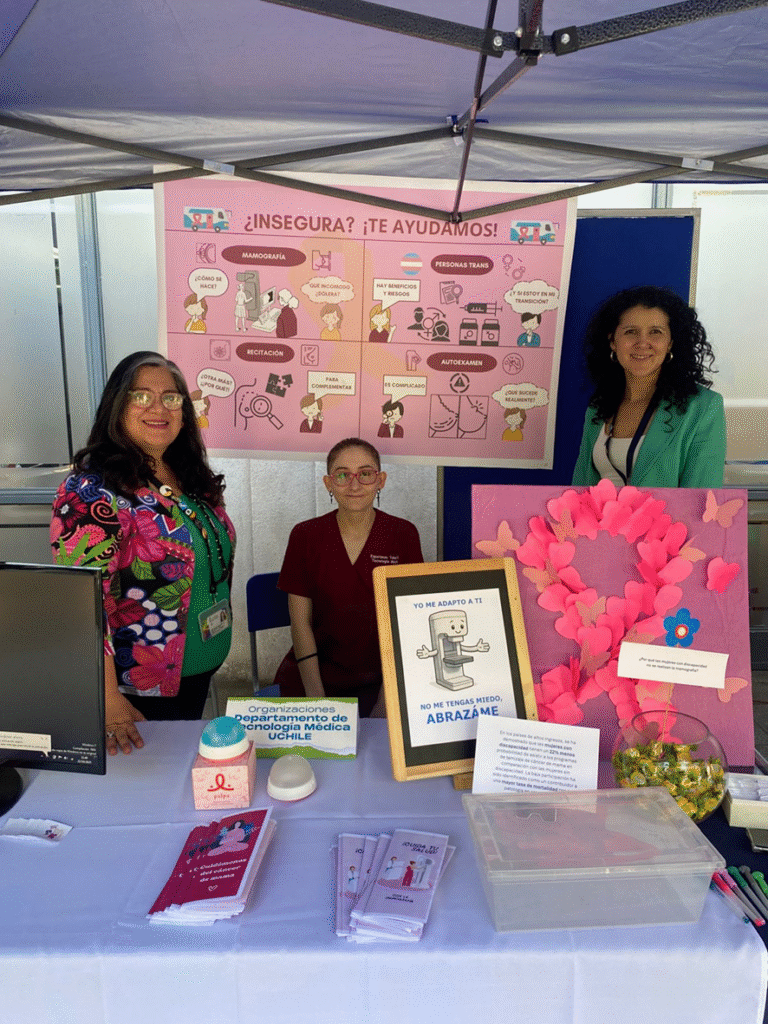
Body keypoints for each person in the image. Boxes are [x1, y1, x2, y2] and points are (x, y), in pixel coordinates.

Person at [50, 352, 235, 755]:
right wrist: (107, 698)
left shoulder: (187, 474)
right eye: (141, 396)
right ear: (117, 405)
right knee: (154, 779)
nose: (158, 408)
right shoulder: (92, 491)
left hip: (197, 665)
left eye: (171, 398)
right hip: (138, 685)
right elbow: (80, 602)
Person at [275, 438, 423, 717]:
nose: (354, 485)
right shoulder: (305, 536)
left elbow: (406, 624)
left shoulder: (403, 535)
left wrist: (385, 700)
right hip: (312, 676)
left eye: (365, 474)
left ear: (381, 480)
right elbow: (300, 624)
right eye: (342, 475)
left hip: (382, 679)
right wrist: (317, 701)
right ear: (328, 483)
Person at [572, 286, 725, 488]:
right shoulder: (598, 407)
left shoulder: (703, 407)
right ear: (613, 341)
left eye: (655, 332)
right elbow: (579, 491)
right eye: (631, 332)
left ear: (670, 343)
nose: (643, 342)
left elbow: (701, 498)